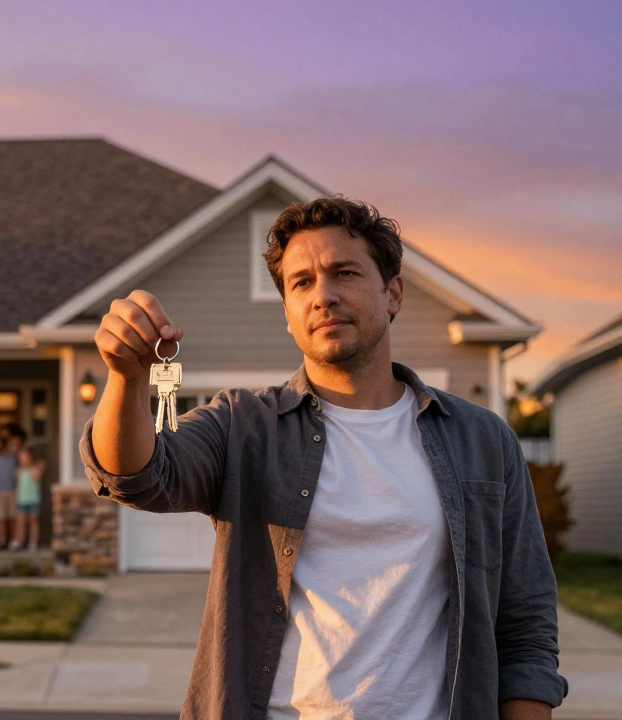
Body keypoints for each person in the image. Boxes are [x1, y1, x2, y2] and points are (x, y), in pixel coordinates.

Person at [83, 196, 567, 719]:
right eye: (302, 283)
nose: (323, 296)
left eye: (345, 273)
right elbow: (136, 475)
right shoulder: (243, 427)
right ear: (288, 316)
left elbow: (526, 622)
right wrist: (126, 378)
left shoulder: (483, 440)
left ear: (393, 293)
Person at [0, 429, 24, 551]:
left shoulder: (14, 458)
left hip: (13, 491)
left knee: (13, 517)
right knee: (0, 518)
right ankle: (1, 541)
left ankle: (14, 541)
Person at [13, 447, 45, 551]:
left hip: (33, 500)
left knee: (33, 521)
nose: (24, 459)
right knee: (20, 522)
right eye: (21, 457)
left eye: (26, 456)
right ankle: (19, 541)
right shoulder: (19, 470)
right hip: (21, 500)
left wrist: (35, 467)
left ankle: (33, 542)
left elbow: (37, 477)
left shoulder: (35, 468)